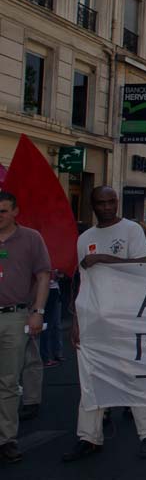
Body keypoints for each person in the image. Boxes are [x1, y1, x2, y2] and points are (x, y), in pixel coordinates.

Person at [64, 186, 146, 462]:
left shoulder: (131, 230)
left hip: (127, 316)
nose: (106, 207)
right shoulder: (85, 238)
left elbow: (144, 266)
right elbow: (81, 281)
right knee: (90, 381)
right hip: (92, 316)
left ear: (117, 202)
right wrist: (76, 320)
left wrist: (106, 258)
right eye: (100, 203)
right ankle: (89, 437)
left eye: (110, 202)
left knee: (134, 376)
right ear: (92, 205)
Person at [0, 191, 51, 465]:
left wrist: (37, 312)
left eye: (3, 211)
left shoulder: (31, 238)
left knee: (8, 381)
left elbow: (43, 275)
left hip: (13, 316)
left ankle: (6, 439)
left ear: (15, 211)